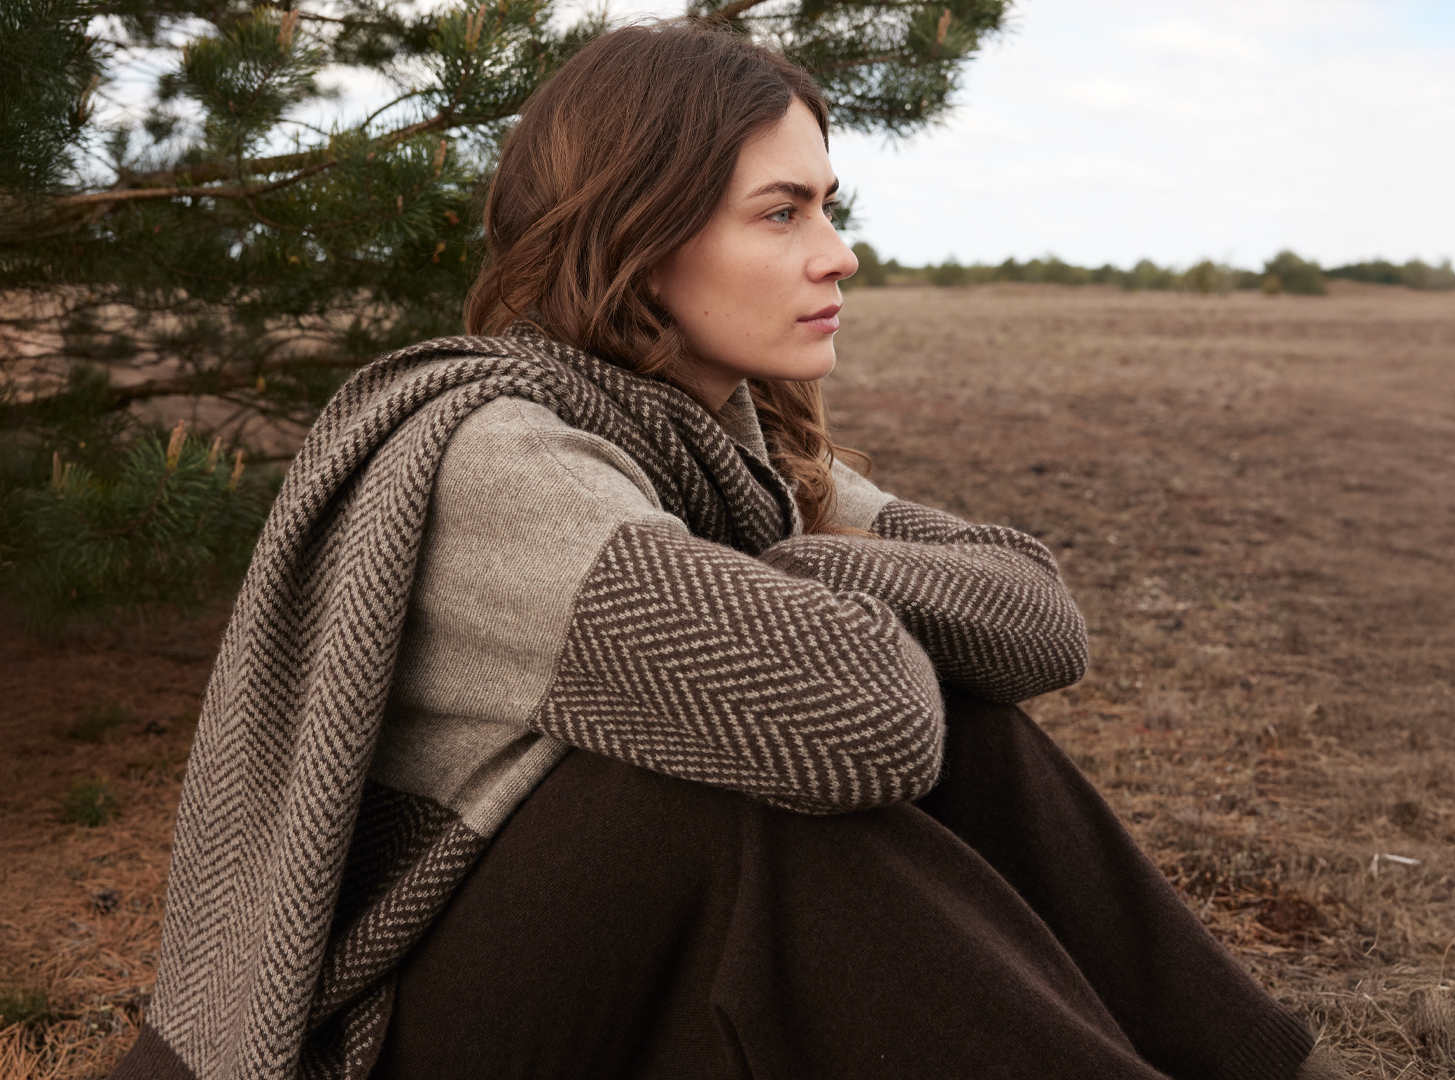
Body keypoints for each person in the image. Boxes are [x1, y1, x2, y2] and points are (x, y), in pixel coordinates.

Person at [111, 20, 1347, 1080]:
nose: (838, 253)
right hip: (407, 1025)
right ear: (638, 237)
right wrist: (802, 583)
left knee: (963, 717)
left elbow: (1035, 619)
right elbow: (866, 719)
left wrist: (788, 569)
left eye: (830, 205)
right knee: (733, 796)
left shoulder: (727, 445)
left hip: (600, 968)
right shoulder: (504, 461)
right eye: (782, 212)